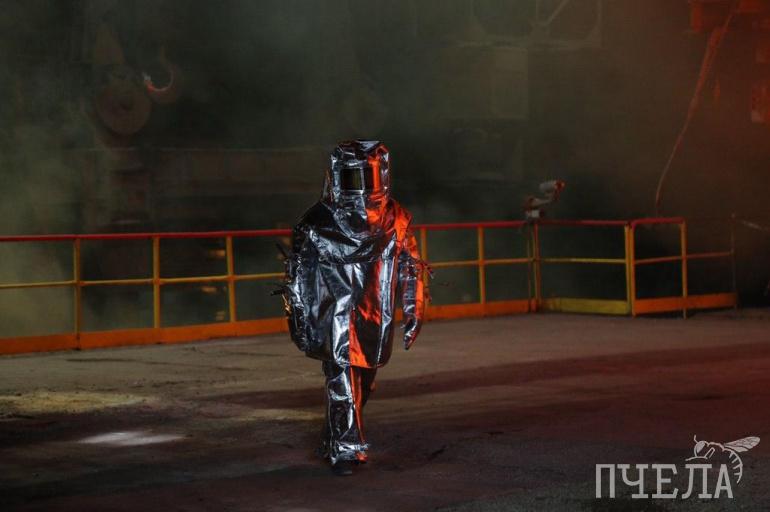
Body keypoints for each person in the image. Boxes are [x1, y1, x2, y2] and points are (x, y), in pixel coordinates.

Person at [282, 140, 427, 476]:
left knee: (363, 382)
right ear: (336, 178)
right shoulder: (316, 221)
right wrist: (299, 321)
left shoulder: (396, 218)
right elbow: (298, 275)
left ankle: (333, 434)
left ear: (381, 177)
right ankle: (346, 450)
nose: (360, 189)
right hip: (334, 316)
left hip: (374, 316)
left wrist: (414, 309)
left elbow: (411, 268)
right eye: (351, 178)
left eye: (367, 177)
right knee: (343, 380)